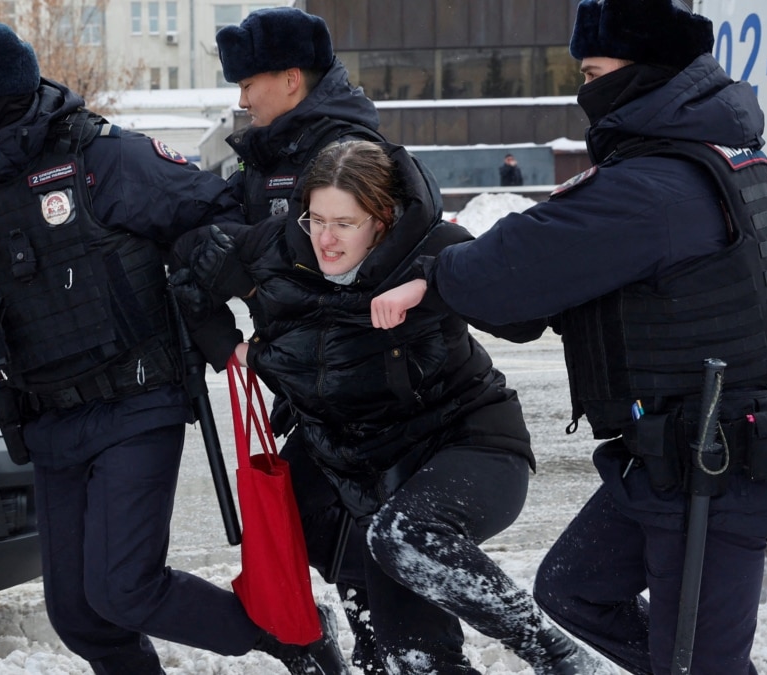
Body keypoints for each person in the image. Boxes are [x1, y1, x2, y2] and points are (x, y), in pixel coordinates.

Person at [371, 1, 767, 673]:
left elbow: (533, 254)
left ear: (647, 70)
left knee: (698, 665)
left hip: (717, 470)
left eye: (595, 71)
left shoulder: (661, 183)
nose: (585, 90)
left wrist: (434, 277)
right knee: (573, 590)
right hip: (669, 460)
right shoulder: (692, 156)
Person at [0, 22, 346, 675]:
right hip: (50, 423)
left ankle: (291, 639)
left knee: (125, 586)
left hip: (138, 401)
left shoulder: (105, 158)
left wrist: (220, 286)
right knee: (80, 614)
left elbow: (222, 219)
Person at [172, 140, 612, 675]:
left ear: (382, 220)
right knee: (417, 658)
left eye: (345, 223)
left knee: (404, 535)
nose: (325, 240)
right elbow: (189, 265)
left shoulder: (435, 245)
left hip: (468, 444)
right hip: (367, 476)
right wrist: (229, 350)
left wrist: (432, 283)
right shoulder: (273, 250)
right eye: (316, 218)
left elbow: (523, 318)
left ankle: (557, 656)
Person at [201, 7, 391, 670]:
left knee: (353, 529)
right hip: (304, 382)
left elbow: (329, 264)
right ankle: (371, 638)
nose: (242, 98)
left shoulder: (346, 152)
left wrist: (245, 256)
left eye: (249, 82)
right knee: (315, 519)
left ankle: (385, 645)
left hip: (360, 387)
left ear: (289, 79)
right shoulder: (271, 155)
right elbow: (216, 233)